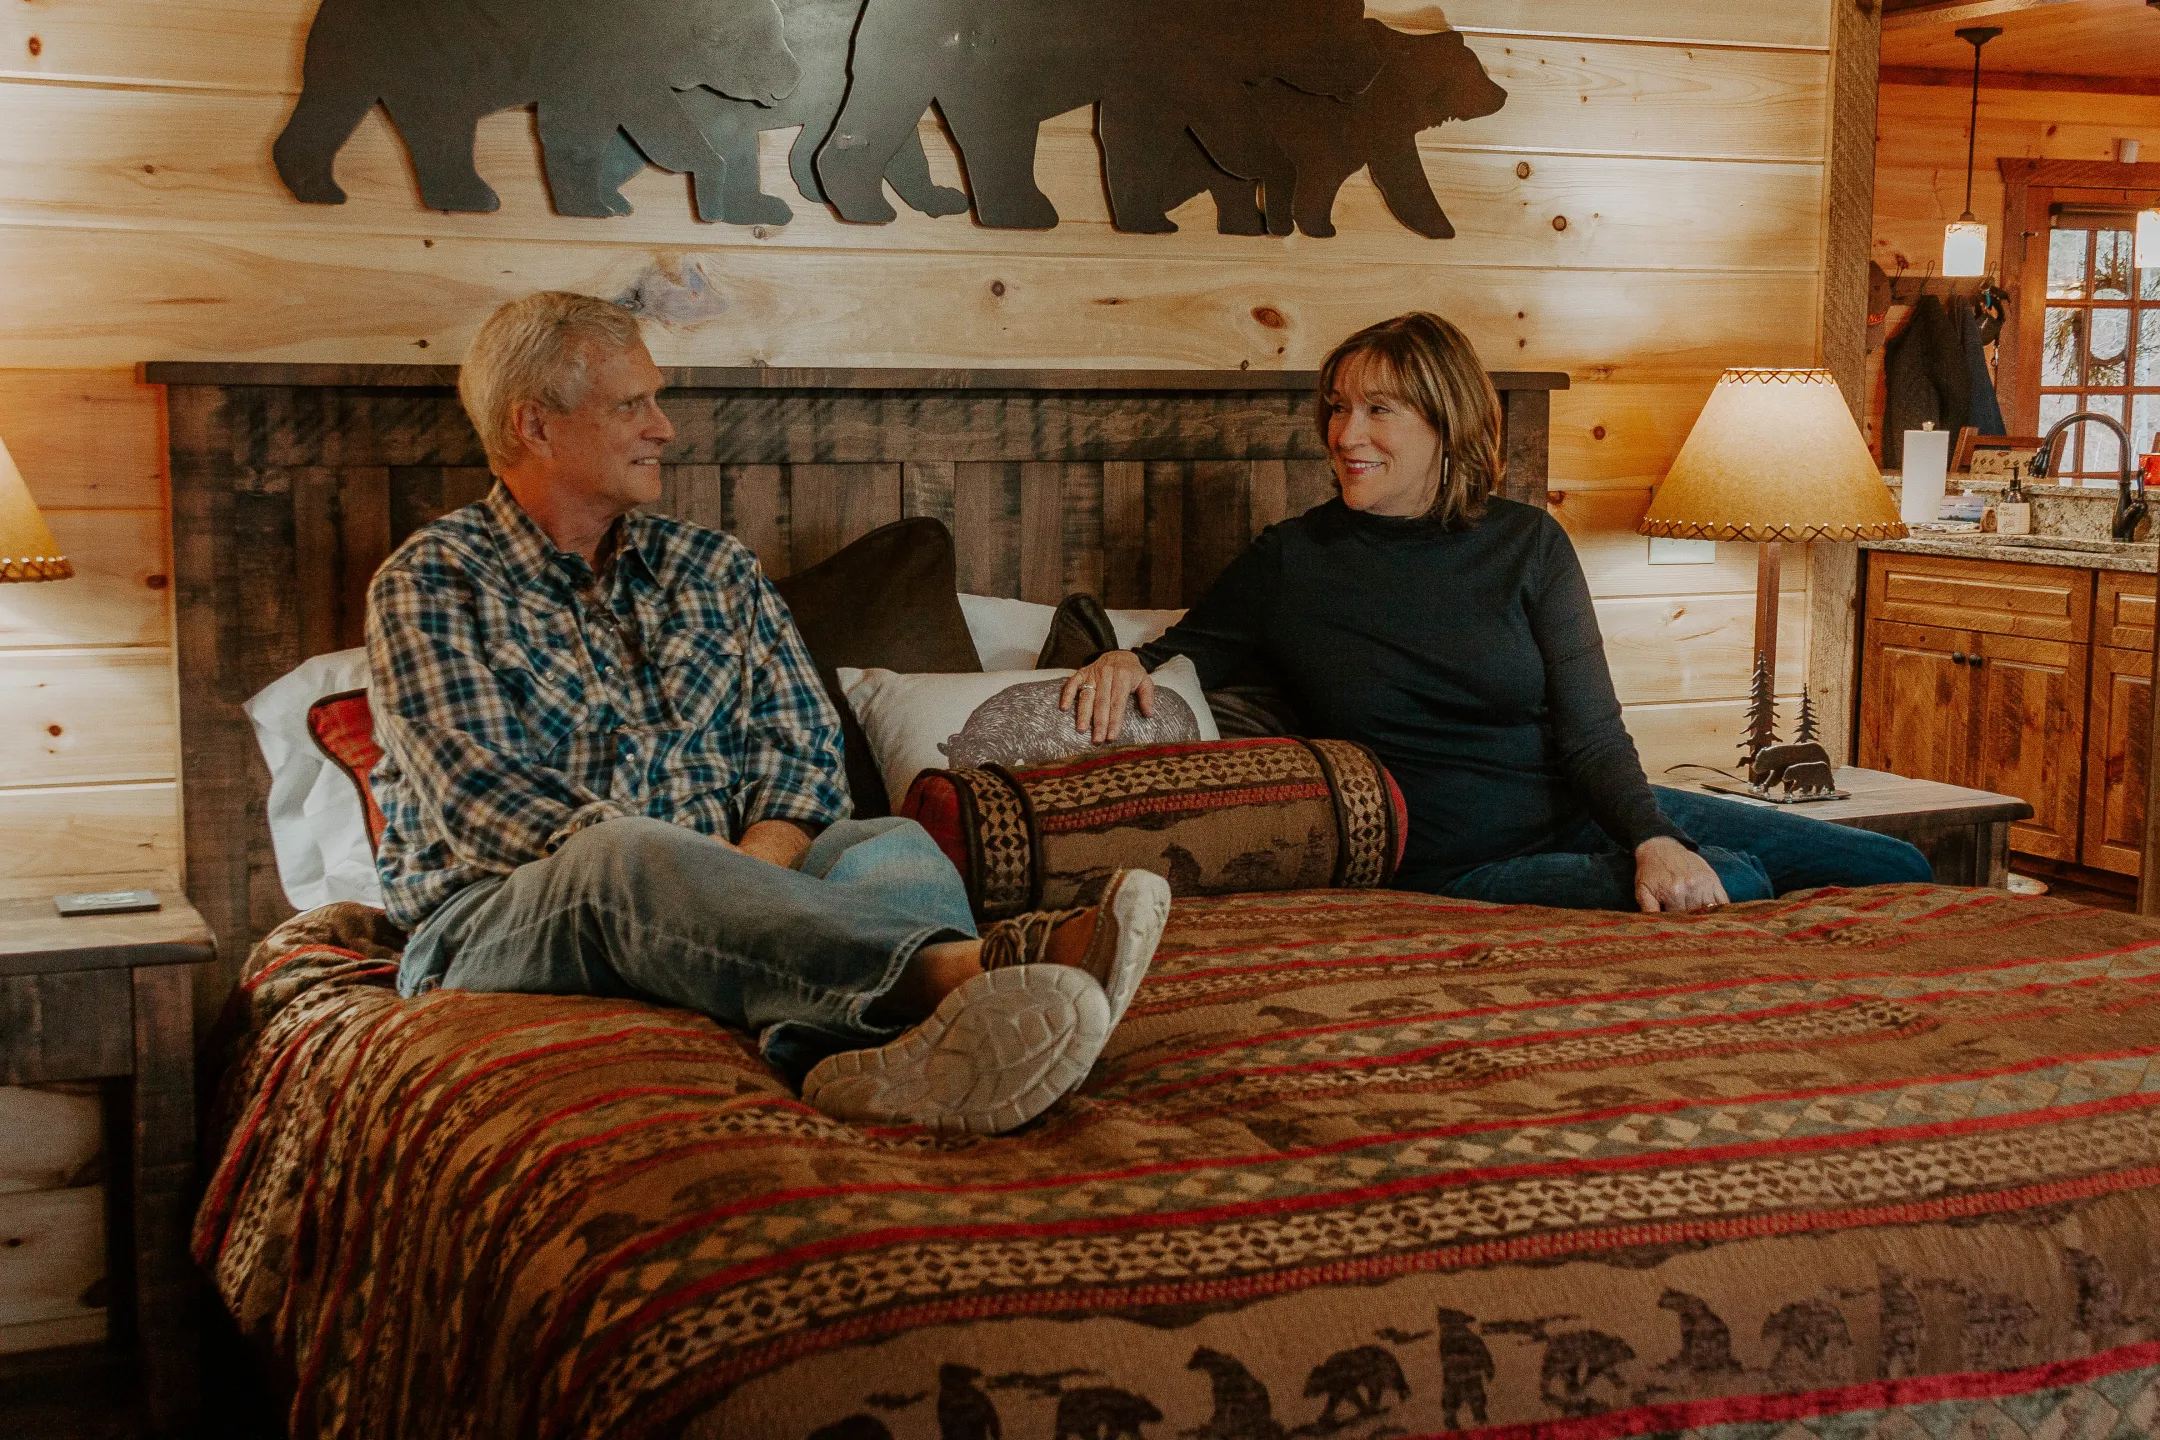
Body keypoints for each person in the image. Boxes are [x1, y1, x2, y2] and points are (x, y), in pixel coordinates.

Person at [366, 291, 1171, 1135]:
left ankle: (863, 1066)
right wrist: (684, 866)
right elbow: (482, 802)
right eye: (631, 404)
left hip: (737, 876)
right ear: (535, 426)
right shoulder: (433, 583)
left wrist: (752, 864)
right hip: (508, 914)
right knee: (620, 854)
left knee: (882, 841)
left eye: (657, 399)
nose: (665, 427)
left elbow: (802, 755)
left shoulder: (714, 570)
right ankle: (966, 975)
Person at [1060, 312, 1932, 913]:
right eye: (1337, 408)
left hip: (1580, 813)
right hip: (1455, 865)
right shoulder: (1293, 561)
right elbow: (1186, 650)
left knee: (1897, 866)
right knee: (1733, 876)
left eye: (1378, 410)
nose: (1345, 434)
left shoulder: (1526, 543)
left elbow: (1591, 734)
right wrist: (1120, 660)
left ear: (1446, 422)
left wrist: (1647, 836)